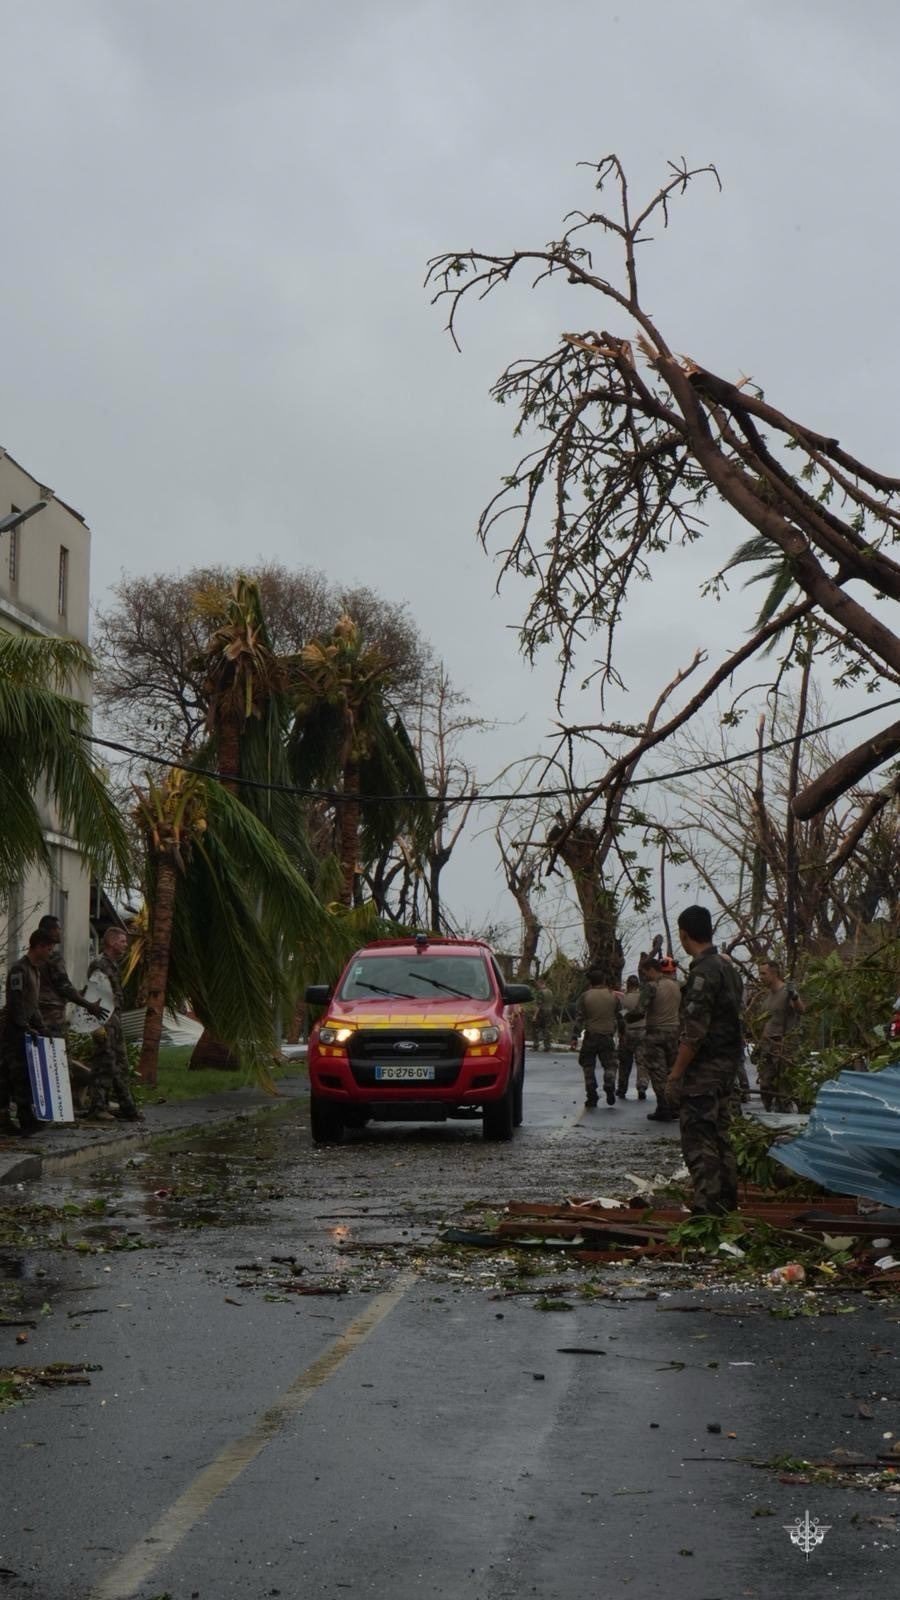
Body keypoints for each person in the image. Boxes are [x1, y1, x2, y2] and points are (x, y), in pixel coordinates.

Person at [666, 905, 743, 1216]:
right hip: (727, 1068)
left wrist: (675, 1074)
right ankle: (726, 1202)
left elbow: (693, 1032)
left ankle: (706, 1206)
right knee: (723, 1136)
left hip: (704, 1071)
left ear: (684, 935)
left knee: (699, 1138)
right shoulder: (729, 969)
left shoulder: (704, 973)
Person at [0, 928, 56, 1136]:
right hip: (12, 1031)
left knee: (16, 1076)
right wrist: (25, 1027)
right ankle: (24, 1119)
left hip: (24, 1028)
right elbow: (15, 1002)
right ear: (39, 946)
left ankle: (21, 1117)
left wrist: (41, 1028)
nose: (50, 953)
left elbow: (33, 1005)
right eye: (48, 949)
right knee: (17, 1075)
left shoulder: (35, 970)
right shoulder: (19, 970)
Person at [86, 928, 141, 1122]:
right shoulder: (99, 965)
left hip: (115, 1021)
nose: (125, 945)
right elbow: (92, 996)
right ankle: (98, 1107)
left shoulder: (113, 965)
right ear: (111, 942)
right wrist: (96, 1026)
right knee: (105, 1064)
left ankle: (127, 1107)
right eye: (122, 941)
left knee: (121, 1064)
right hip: (103, 1021)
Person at [636, 955, 681, 1122]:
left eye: (644, 972)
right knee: (672, 1070)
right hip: (674, 1031)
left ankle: (664, 1107)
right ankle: (676, 1105)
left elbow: (639, 1010)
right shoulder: (676, 985)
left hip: (655, 1032)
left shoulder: (652, 987)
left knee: (657, 1072)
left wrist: (624, 1015)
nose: (644, 975)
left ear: (651, 970)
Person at [755, 959, 805, 1112]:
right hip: (767, 1047)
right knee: (765, 1085)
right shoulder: (767, 996)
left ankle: (788, 1113)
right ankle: (769, 1114)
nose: (760, 977)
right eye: (759, 973)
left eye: (763, 973)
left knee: (785, 1086)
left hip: (783, 1046)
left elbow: (801, 1010)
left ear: (774, 973)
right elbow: (767, 1022)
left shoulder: (786, 993)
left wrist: (794, 996)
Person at [574, 968, 621, 1108]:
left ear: (590, 981)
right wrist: (622, 1032)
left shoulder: (585, 996)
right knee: (610, 1064)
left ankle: (591, 1094)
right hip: (607, 1035)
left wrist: (574, 1036)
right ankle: (609, 1081)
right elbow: (620, 1016)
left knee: (588, 1065)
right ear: (604, 980)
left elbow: (579, 1018)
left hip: (591, 1035)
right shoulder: (613, 996)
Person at [616, 975, 648, 1100]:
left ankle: (622, 1089)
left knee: (625, 1062)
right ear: (638, 985)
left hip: (628, 1032)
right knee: (642, 1062)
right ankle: (642, 1086)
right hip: (643, 1032)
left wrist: (621, 1033)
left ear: (628, 985)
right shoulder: (644, 999)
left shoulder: (624, 1000)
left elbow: (620, 1018)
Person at [531, 980, 554, 1052]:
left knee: (536, 1029)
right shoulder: (550, 992)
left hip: (542, 1012)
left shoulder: (540, 992)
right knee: (547, 1029)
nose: (537, 986)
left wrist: (535, 1015)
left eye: (537, 985)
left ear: (541, 984)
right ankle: (547, 1046)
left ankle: (535, 1045)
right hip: (549, 1012)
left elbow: (539, 1005)